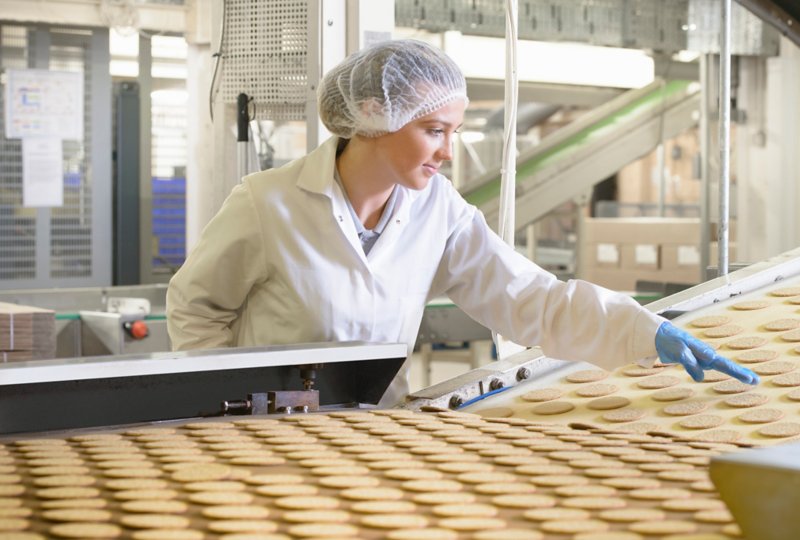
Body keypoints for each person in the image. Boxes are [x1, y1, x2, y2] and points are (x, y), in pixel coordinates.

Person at [166, 39, 758, 406]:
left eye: (454, 131)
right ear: (374, 117)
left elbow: (531, 299)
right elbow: (197, 307)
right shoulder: (269, 202)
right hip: (262, 435)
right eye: (434, 131)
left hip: (374, 433)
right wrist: (221, 404)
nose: (448, 151)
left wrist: (641, 330)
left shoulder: (437, 208)